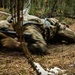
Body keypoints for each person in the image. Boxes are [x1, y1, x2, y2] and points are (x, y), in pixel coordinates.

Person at [0, 14, 75, 54]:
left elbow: (42, 48)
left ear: (11, 26)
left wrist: (17, 45)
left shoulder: (29, 28)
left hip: (56, 29)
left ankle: (64, 26)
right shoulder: (10, 22)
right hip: (43, 33)